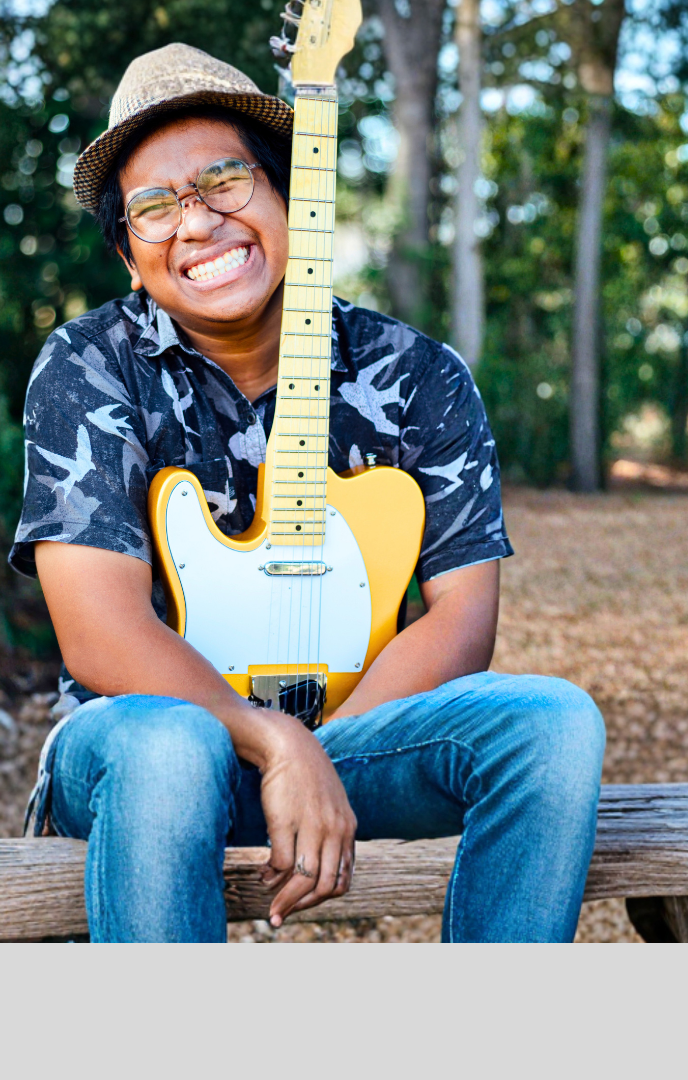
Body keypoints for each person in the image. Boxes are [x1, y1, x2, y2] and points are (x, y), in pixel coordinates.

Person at [15, 44, 605, 942]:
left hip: (355, 742)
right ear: (130, 256)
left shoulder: (420, 376)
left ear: (291, 197)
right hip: (140, 754)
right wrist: (273, 741)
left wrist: (316, 763)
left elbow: (462, 617)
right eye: (154, 207)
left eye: (224, 180)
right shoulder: (88, 366)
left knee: (554, 725)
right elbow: (100, 633)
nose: (197, 222)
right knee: (173, 747)